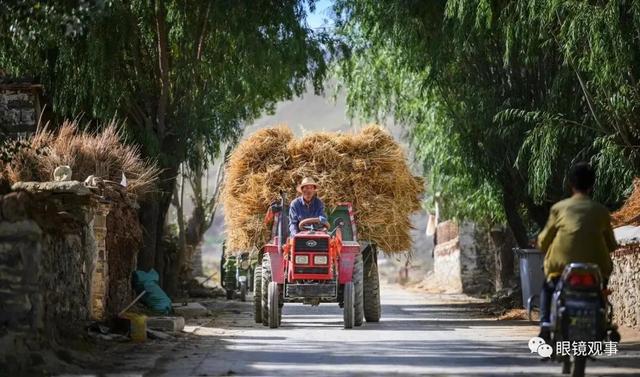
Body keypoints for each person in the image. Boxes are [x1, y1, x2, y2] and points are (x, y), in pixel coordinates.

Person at [537, 162, 617, 340]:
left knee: (548, 288)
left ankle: (544, 325)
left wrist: (543, 247)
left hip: (561, 267)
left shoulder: (559, 208)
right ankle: (604, 320)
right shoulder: (602, 211)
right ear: (592, 185)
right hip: (596, 267)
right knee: (600, 289)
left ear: (570, 184)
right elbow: (611, 244)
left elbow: (543, 240)